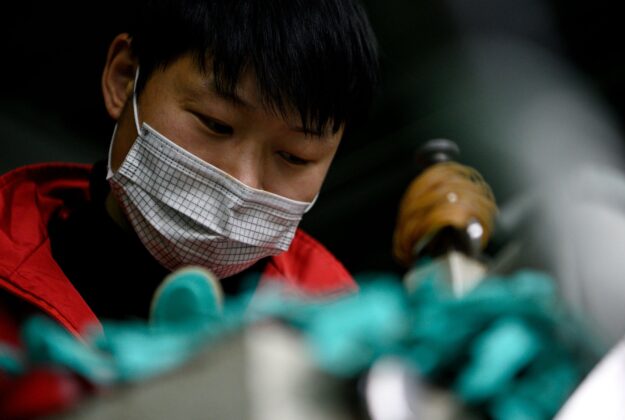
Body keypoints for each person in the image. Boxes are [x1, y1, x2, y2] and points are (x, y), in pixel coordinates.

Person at [0, 0, 378, 377]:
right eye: (215, 124)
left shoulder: (346, 338)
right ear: (125, 77)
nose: (242, 184)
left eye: (294, 157)